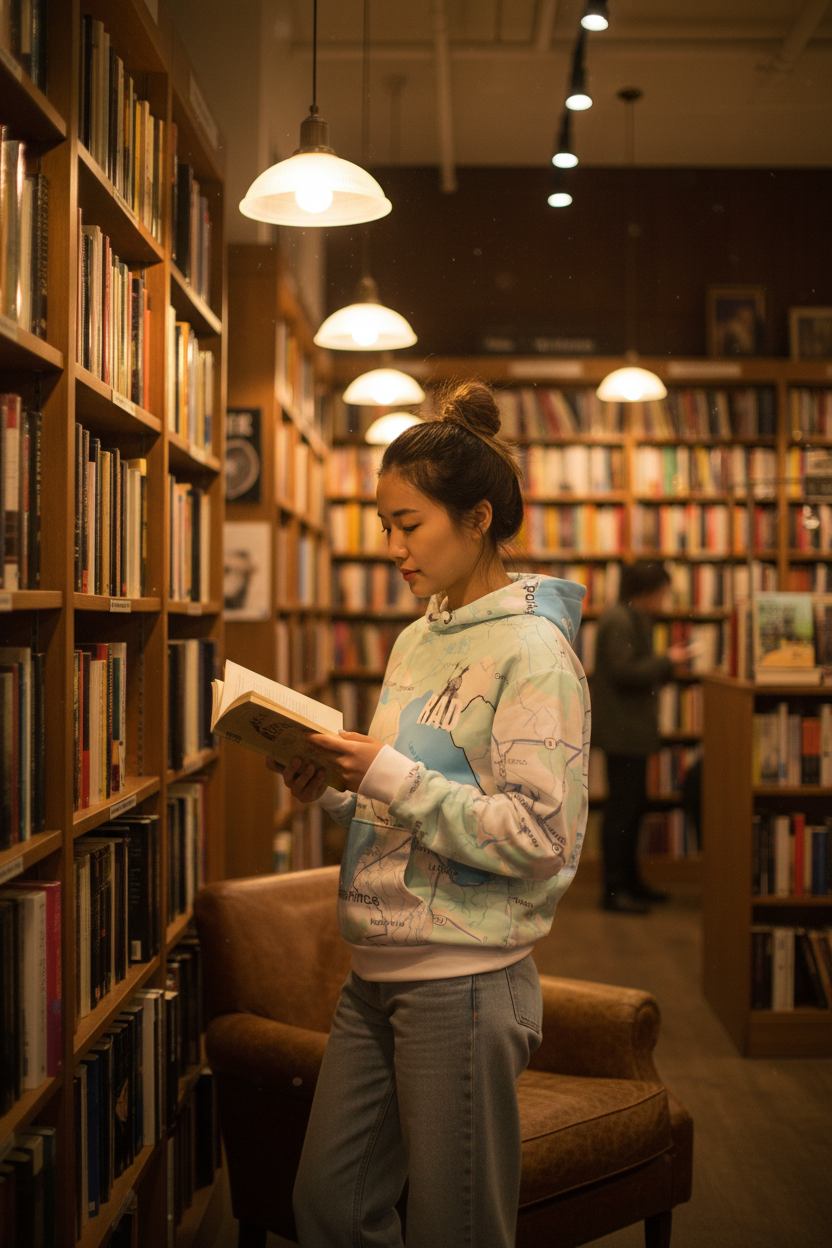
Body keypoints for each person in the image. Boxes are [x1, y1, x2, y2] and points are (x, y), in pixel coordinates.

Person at [270, 381, 590, 1248]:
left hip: (467, 978)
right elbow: (411, 796)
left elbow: (539, 836)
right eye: (385, 525)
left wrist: (392, 776)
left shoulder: (535, 652)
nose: (392, 547)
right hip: (375, 965)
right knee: (329, 1207)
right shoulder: (420, 636)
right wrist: (337, 780)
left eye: (409, 524)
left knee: (455, 1229)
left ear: (478, 516)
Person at [591, 561, 697, 914]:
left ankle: (629, 882)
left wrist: (663, 664)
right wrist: (668, 660)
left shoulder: (631, 617)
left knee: (633, 808)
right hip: (623, 730)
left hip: (630, 728)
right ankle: (614, 888)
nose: (666, 599)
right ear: (648, 590)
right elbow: (623, 672)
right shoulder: (620, 619)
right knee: (623, 810)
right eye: (663, 592)